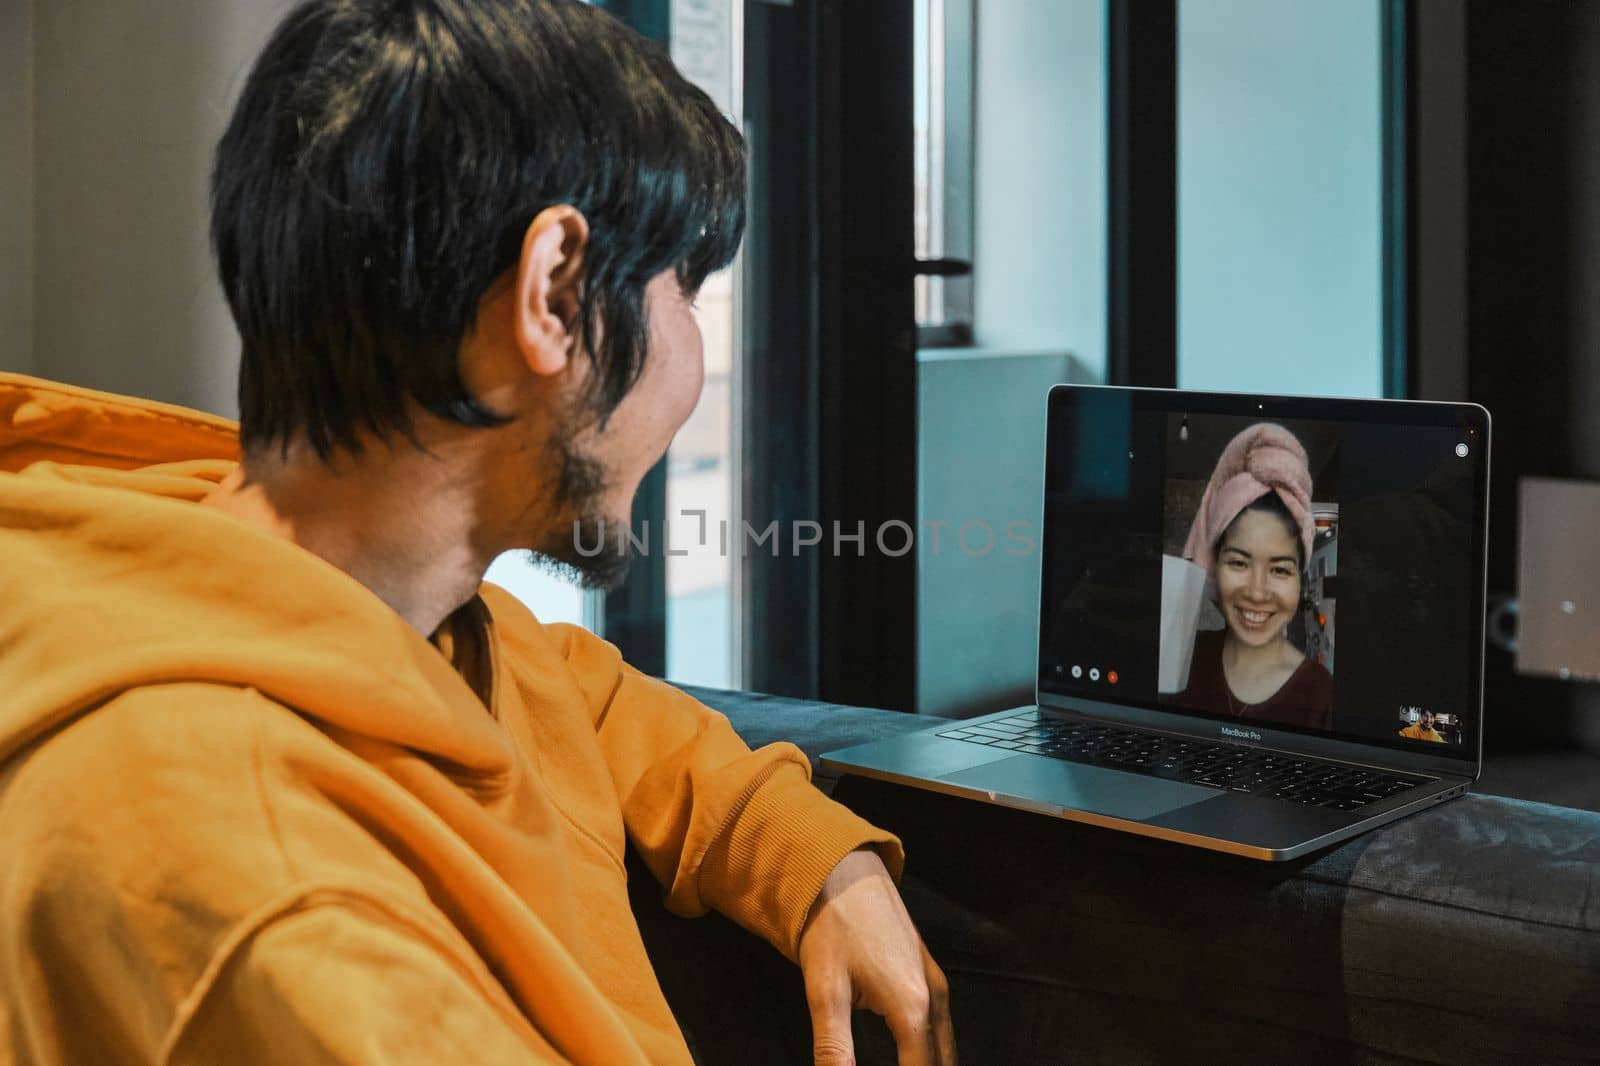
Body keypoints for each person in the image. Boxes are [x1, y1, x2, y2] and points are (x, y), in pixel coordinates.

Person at [0, 2, 955, 1064]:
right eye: (682, 286)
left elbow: (581, 697)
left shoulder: (352, 602)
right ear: (552, 293)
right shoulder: (271, 896)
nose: (691, 350)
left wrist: (821, 863)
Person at [1175, 424, 1333, 730]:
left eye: (1279, 569)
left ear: (1300, 579)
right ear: (1214, 566)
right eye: (1238, 563)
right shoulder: (1184, 658)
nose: (1257, 593)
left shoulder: (1321, 694)